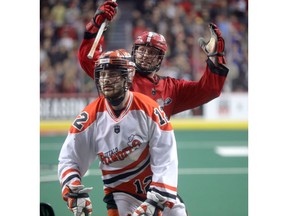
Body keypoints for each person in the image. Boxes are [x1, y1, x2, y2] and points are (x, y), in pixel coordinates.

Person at [77, 1, 229, 215]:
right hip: (121, 175)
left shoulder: (170, 88)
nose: (146, 55)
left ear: (161, 59)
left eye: (153, 52)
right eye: (142, 50)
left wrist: (215, 58)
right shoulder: (118, 72)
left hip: (156, 176)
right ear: (133, 51)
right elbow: (88, 58)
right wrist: (96, 25)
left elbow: (209, 90)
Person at [58, 49, 179, 216]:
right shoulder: (89, 117)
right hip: (119, 194)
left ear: (128, 76)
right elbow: (69, 159)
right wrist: (72, 189)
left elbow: (166, 156)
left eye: (113, 74)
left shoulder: (149, 109)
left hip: (155, 190)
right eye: (102, 74)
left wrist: (157, 200)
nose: (106, 79)